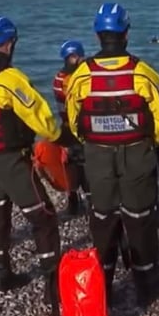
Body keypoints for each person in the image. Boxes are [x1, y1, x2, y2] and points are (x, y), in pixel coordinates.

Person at [0, 16, 71, 296]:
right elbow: (39, 116)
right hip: (11, 161)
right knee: (43, 217)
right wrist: (58, 137)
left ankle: (1, 274)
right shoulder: (10, 80)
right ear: (9, 43)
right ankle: (52, 282)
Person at [64, 2, 159, 307]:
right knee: (140, 218)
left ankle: (103, 285)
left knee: (103, 218)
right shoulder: (143, 72)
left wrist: (92, 143)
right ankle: (146, 284)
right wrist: (152, 144)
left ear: (98, 36)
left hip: (97, 155)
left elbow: (74, 119)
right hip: (137, 153)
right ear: (126, 33)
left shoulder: (80, 76)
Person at [52, 39, 88, 216]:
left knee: (71, 163)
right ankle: (87, 197)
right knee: (83, 163)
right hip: (78, 125)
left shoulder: (58, 77)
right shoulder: (80, 77)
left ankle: (74, 201)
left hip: (66, 126)